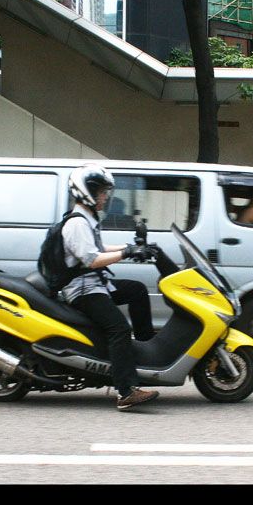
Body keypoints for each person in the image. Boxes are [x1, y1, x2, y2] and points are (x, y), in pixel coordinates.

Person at [60, 164, 160, 411]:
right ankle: (125, 392)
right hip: (83, 290)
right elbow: (92, 259)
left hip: (94, 283)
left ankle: (148, 351)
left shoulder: (86, 219)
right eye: (102, 192)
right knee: (119, 328)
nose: (106, 197)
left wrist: (132, 249)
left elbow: (99, 248)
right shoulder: (76, 223)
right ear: (87, 192)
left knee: (136, 290)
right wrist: (126, 252)